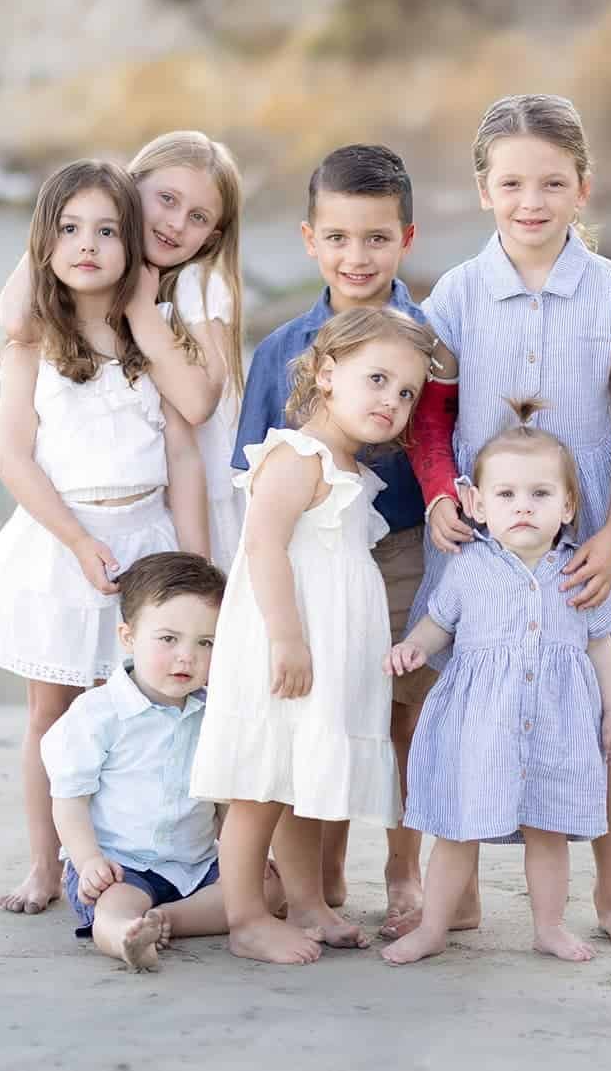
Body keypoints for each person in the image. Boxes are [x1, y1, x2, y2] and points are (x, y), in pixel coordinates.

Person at [410, 93, 611, 949]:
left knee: (600, 711)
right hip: (485, 524)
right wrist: (445, 493)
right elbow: (431, 415)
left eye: (552, 182)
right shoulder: (456, 292)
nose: (532, 200)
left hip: (590, 523)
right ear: (483, 189)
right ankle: (460, 892)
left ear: (582, 188)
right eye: (512, 182)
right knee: (472, 701)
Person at [0, 160, 210, 917]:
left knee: (135, 708)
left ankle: (124, 858)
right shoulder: (34, 341)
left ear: (133, 247)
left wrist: (197, 570)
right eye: (69, 229)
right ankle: (49, 862)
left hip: (146, 535)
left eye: (108, 230)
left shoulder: (152, 333)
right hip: (61, 537)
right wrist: (75, 539)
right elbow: (13, 457)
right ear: (43, 242)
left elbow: (182, 454)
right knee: (54, 714)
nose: (87, 244)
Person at [232, 144, 453, 937]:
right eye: (337, 237)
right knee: (317, 713)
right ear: (308, 238)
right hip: (307, 558)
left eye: (375, 238)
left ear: (407, 237)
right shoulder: (282, 350)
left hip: (399, 550)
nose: (355, 256)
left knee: (400, 713)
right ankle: (317, 880)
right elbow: (252, 481)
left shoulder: (430, 341)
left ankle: (403, 870)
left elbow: (452, 446)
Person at [191, 307, 448, 964]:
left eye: (406, 391)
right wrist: (287, 639)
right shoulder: (296, 453)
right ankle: (246, 914)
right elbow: (264, 545)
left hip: (324, 653)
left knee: (304, 776)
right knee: (259, 784)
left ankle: (307, 902)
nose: (391, 400)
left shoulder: (349, 467)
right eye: (378, 378)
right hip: (285, 645)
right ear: (328, 373)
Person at [381, 401, 611, 965]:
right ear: (478, 504)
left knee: (548, 828)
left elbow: (599, 642)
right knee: (458, 826)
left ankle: (549, 925)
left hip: (557, 726)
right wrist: (412, 648)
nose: (523, 507)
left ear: (567, 505)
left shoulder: (578, 570)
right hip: (479, 724)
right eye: (507, 495)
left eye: (540, 495)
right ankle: (433, 927)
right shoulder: (469, 566)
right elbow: (438, 624)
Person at [0, 132, 248, 568]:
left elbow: (195, 405)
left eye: (198, 217)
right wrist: (67, 222)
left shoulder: (197, 282)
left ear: (212, 236)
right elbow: (17, 320)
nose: (175, 223)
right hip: (123, 504)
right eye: (166, 199)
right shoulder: (94, 277)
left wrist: (139, 308)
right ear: (131, 190)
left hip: (198, 499)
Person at [42, 552, 231, 972]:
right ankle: (125, 936)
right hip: (120, 863)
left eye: (206, 643)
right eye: (168, 639)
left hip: (196, 864)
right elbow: (69, 798)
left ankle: (168, 921)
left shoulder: (215, 713)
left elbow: (223, 804)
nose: (187, 656)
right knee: (113, 904)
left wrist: (239, 859)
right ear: (128, 638)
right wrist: (89, 860)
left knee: (262, 891)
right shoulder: (98, 714)